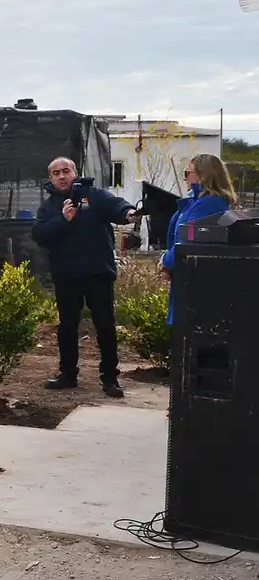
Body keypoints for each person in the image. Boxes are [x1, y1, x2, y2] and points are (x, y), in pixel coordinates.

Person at [31, 157, 141, 398]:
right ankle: (68, 375)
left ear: (75, 173)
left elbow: (116, 206)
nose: (62, 176)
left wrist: (129, 213)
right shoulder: (48, 207)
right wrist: (63, 220)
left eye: (66, 171)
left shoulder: (93, 195)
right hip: (66, 275)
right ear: (50, 178)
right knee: (67, 326)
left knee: (105, 326)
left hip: (97, 273)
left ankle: (110, 378)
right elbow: (40, 235)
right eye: (56, 173)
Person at [162, 153, 236, 325]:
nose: (185, 178)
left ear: (203, 176)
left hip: (195, 281)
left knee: (189, 330)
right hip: (188, 276)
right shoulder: (198, 201)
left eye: (188, 173)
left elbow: (189, 239)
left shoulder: (209, 204)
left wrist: (166, 260)